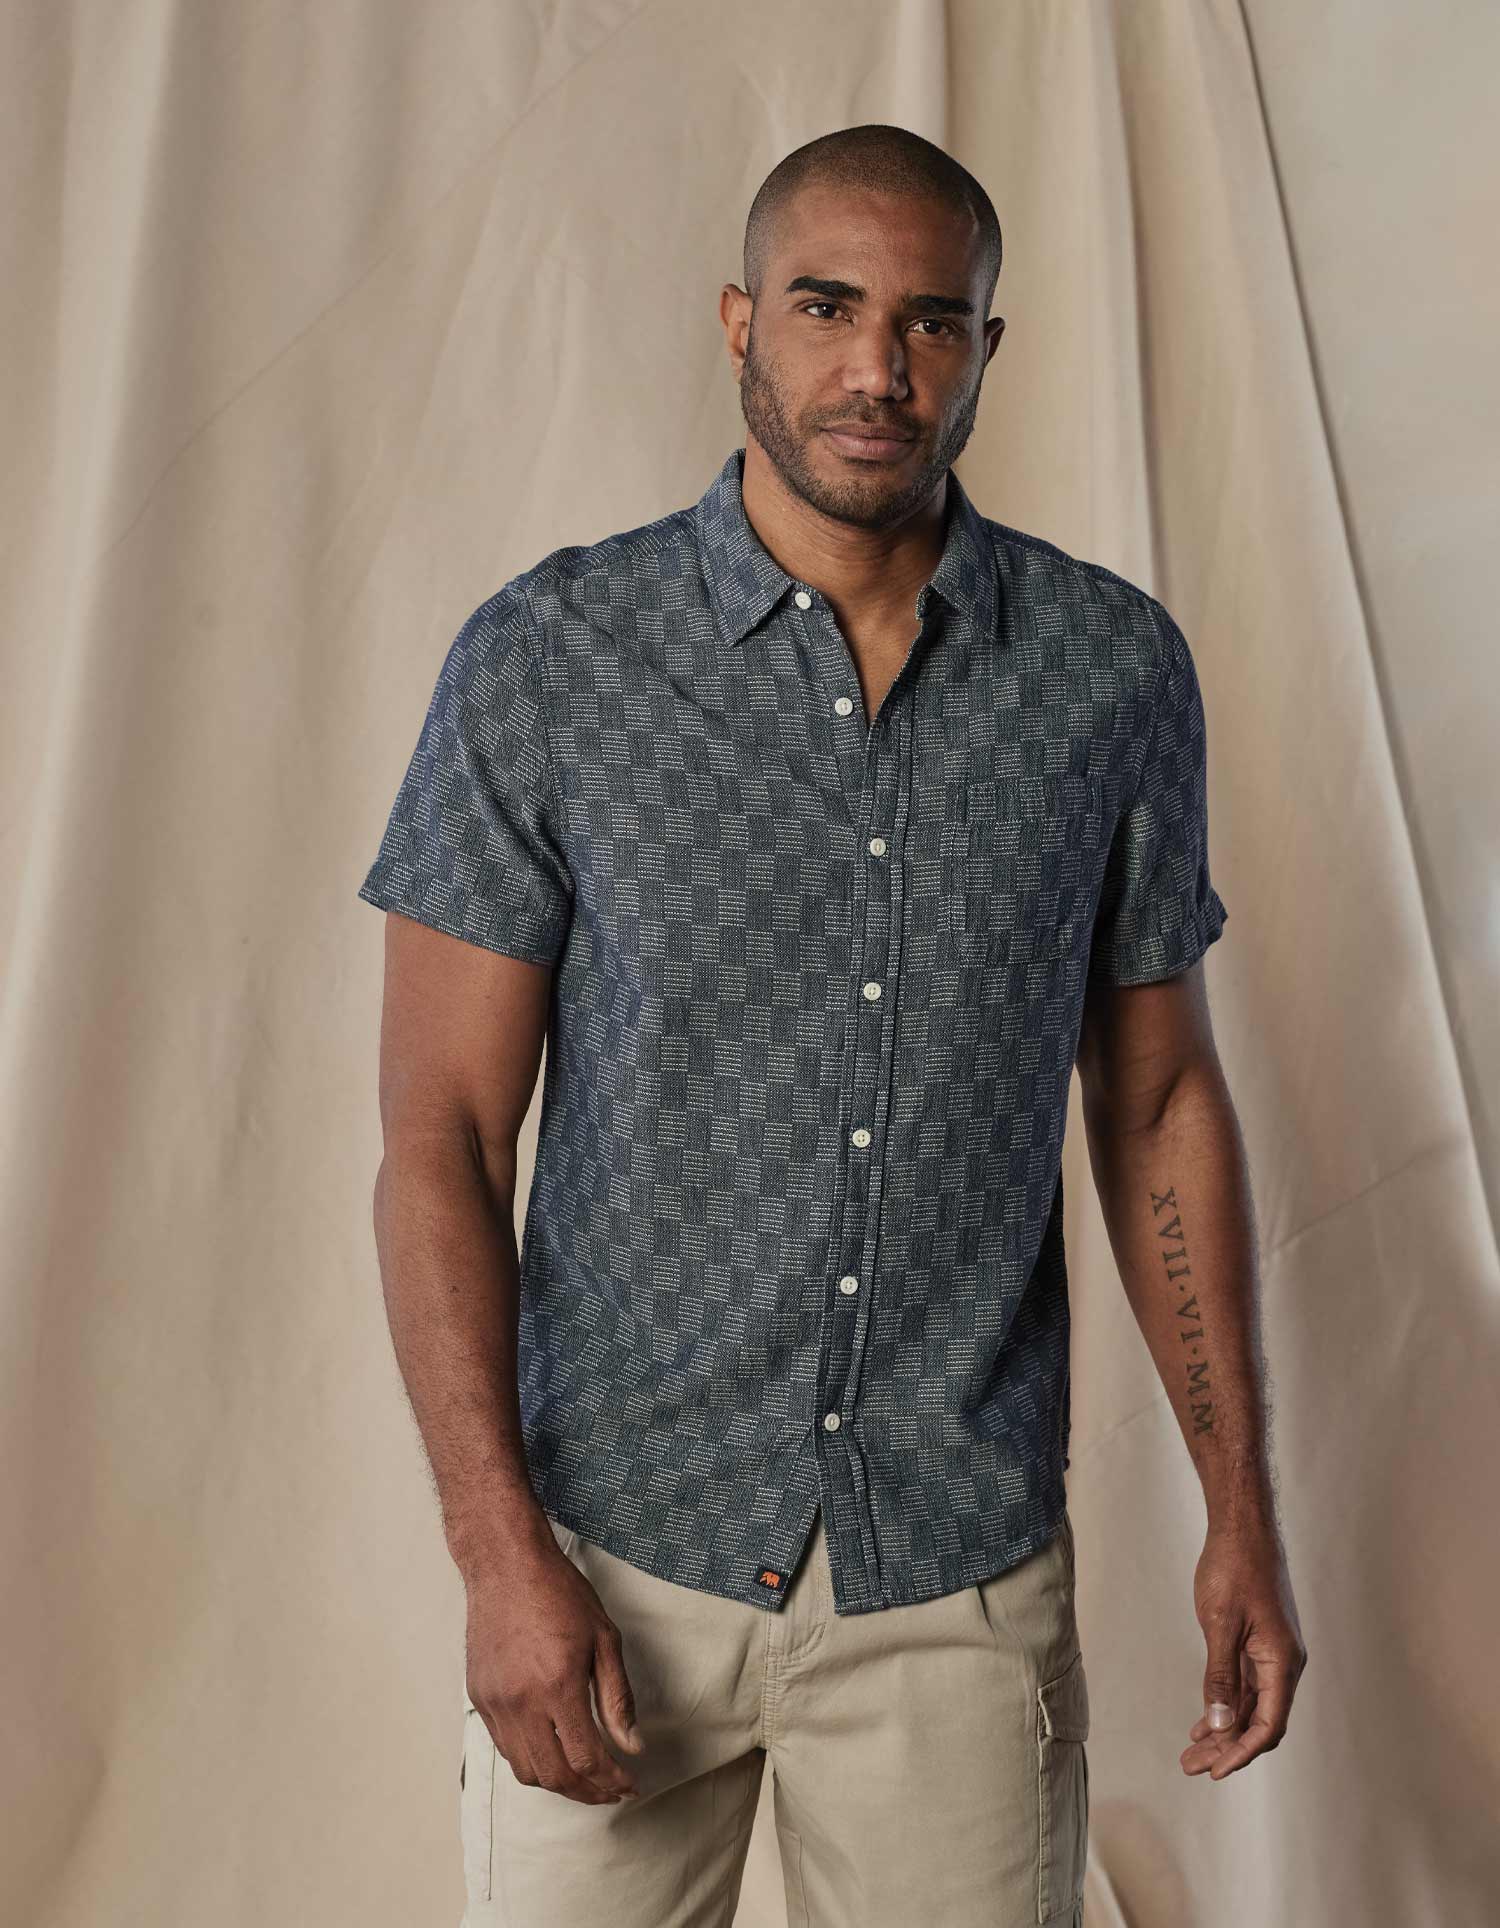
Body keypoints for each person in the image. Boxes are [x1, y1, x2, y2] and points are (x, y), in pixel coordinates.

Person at [357, 123, 1306, 1928]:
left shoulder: (1109, 673)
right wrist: (497, 1559)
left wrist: (1240, 1506)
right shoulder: (552, 660)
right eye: (825, 306)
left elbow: (1159, 1100)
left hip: (955, 1577)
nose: (878, 368)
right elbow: (441, 1139)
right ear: (740, 322)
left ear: (986, 349)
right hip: (612, 1569)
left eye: (932, 322)